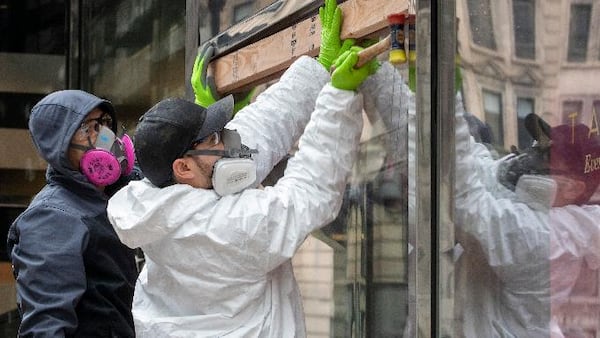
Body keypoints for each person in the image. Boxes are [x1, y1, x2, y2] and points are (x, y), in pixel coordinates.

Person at [106, 1, 378, 336]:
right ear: (184, 167)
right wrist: (339, 96)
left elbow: (255, 136)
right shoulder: (226, 228)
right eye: (215, 138)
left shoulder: (160, 205)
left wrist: (317, 70)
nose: (228, 143)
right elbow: (310, 193)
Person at [359, 60, 600, 336]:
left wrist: (440, 90)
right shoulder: (518, 201)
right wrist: (376, 73)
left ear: (570, 188)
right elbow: (449, 158)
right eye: (536, 145)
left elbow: (460, 200)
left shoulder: (549, 240)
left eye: (545, 155)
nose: (528, 155)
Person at [6, 90, 139, 337]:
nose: (104, 137)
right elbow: (46, 326)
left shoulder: (109, 195)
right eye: (87, 129)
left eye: (105, 123)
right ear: (60, 144)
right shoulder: (52, 218)